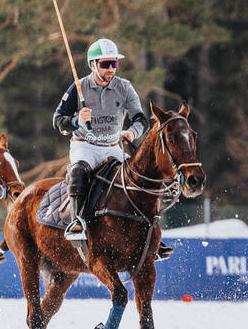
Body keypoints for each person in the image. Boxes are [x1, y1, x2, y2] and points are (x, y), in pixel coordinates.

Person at [52, 38, 173, 259]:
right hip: (85, 146)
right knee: (78, 172)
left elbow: (141, 119)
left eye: (114, 64)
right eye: (105, 64)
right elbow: (58, 120)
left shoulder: (124, 87)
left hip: (112, 145)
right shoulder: (78, 87)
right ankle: (78, 223)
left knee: (137, 179)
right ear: (93, 65)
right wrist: (77, 120)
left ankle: (151, 234)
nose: (111, 69)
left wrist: (131, 133)